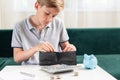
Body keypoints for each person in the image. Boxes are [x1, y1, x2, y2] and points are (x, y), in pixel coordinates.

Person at [11, 0, 76, 65]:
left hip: (53, 68)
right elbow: (17, 58)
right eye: (47, 13)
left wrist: (70, 49)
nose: (50, 19)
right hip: (29, 69)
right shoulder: (19, 26)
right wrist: (36, 48)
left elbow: (65, 47)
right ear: (37, 6)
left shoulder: (59, 23)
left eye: (54, 16)